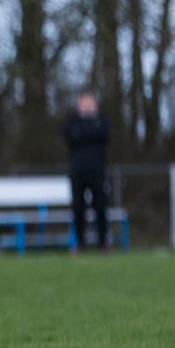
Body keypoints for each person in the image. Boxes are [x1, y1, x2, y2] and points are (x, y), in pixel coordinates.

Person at [63, 90, 111, 252]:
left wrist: (82, 134)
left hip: (97, 170)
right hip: (77, 172)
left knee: (100, 206)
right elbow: (69, 137)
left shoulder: (102, 121)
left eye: (89, 102)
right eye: (83, 102)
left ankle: (103, 243)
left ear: (95, 104)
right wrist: (88, 133)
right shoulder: (71, 123)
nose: (86, 106)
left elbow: (102, 135)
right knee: (78, 208)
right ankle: (80, 244)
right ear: (78, 104)